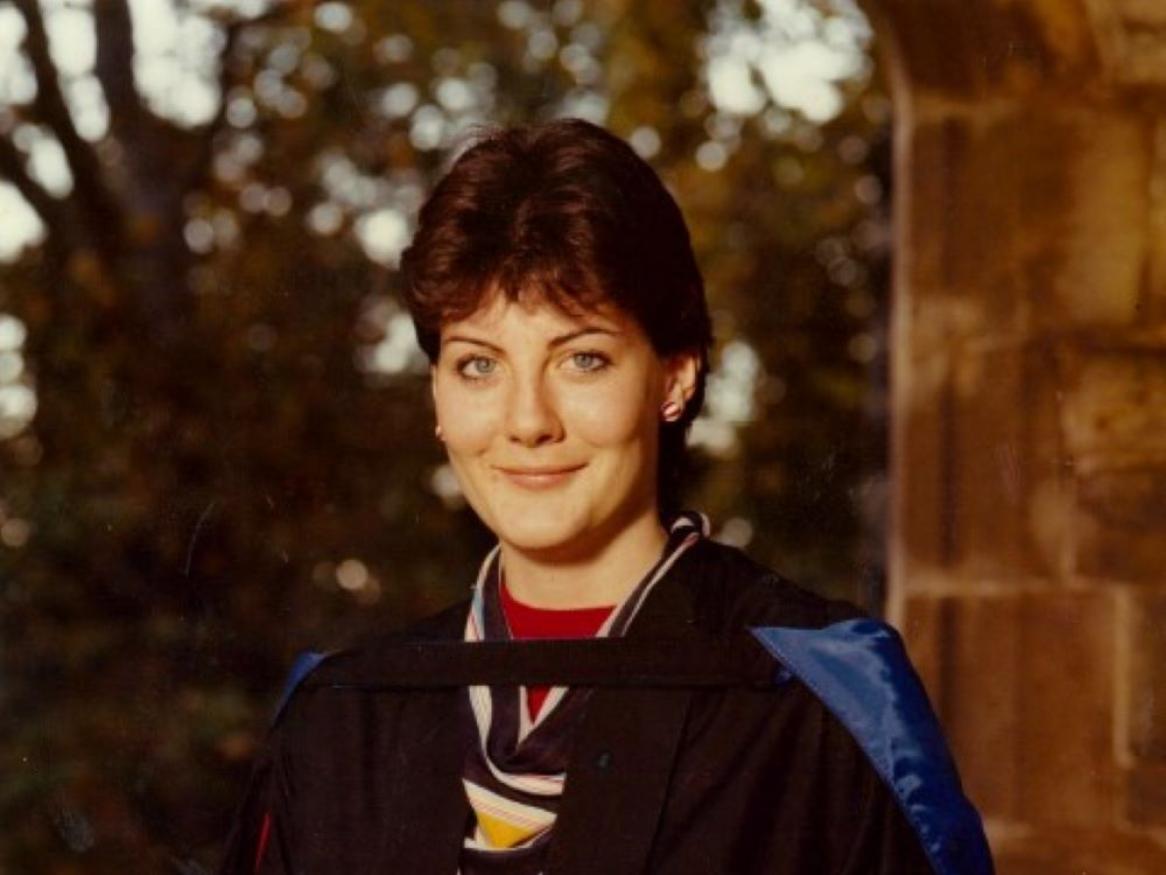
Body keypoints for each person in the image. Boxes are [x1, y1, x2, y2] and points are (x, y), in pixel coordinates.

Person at [218, 119, 992, 875]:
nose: (527, 421)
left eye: (582, 359)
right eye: (479, 365)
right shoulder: (343, 719)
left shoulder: (822, 709)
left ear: (675, 376)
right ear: (437, 396)